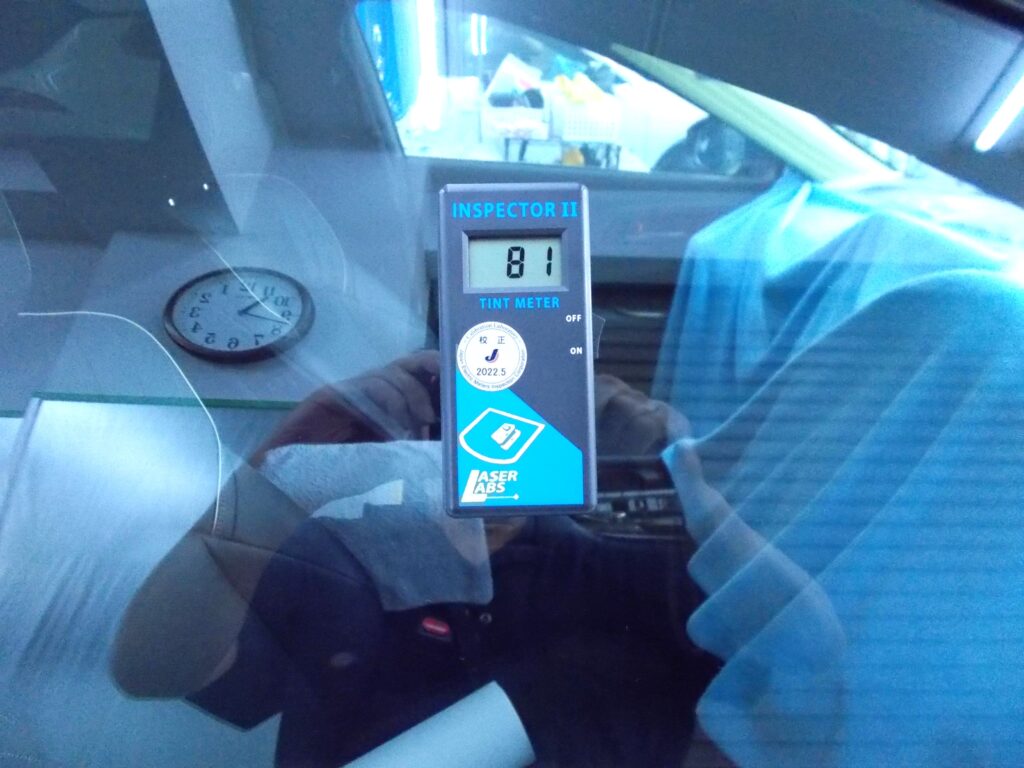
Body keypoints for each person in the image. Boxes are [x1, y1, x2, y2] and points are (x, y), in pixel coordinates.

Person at [112, 350, 714, 767]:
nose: (497, 431)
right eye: (464, 401)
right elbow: (153, 668)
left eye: (529, 404)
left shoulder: (632, 566)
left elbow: (760, 676)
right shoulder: (338, 552)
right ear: (423, 422)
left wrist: (678, 485)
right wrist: (281, 469)